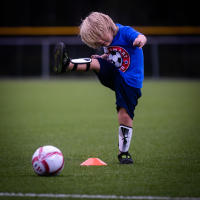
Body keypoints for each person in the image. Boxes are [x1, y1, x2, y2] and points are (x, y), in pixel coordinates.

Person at [54, 12, 147, 164]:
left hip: (129, 83)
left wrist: (139, 40)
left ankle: (123, 152)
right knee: (95, 61)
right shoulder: (106, 42)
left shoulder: (125, 32)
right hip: (115, 76)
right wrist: (103, 57)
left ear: (107, 26)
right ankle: (67, 64)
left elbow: (142, 36)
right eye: (98, 44)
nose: (102, 43)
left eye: (102, 39)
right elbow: (112, 56)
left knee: (124, 114)